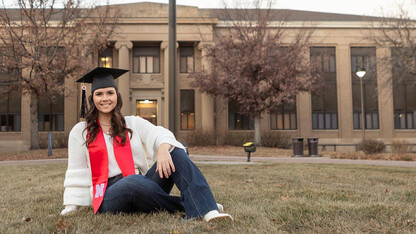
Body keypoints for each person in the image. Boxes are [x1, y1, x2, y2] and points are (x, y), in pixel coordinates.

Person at [61, 67, 233, 222]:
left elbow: (158, 132)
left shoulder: (131, 123)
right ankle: (197, 204)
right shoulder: (81, 131)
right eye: (99, 94)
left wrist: (164, 148)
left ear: (117, 96)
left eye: (110, 93)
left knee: (175, 151)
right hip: (107, 195)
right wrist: (71, 206)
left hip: (144, 185)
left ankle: (210, 212)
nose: (105, 99)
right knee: (132, 181)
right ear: (92, 98)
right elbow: (77, 170)